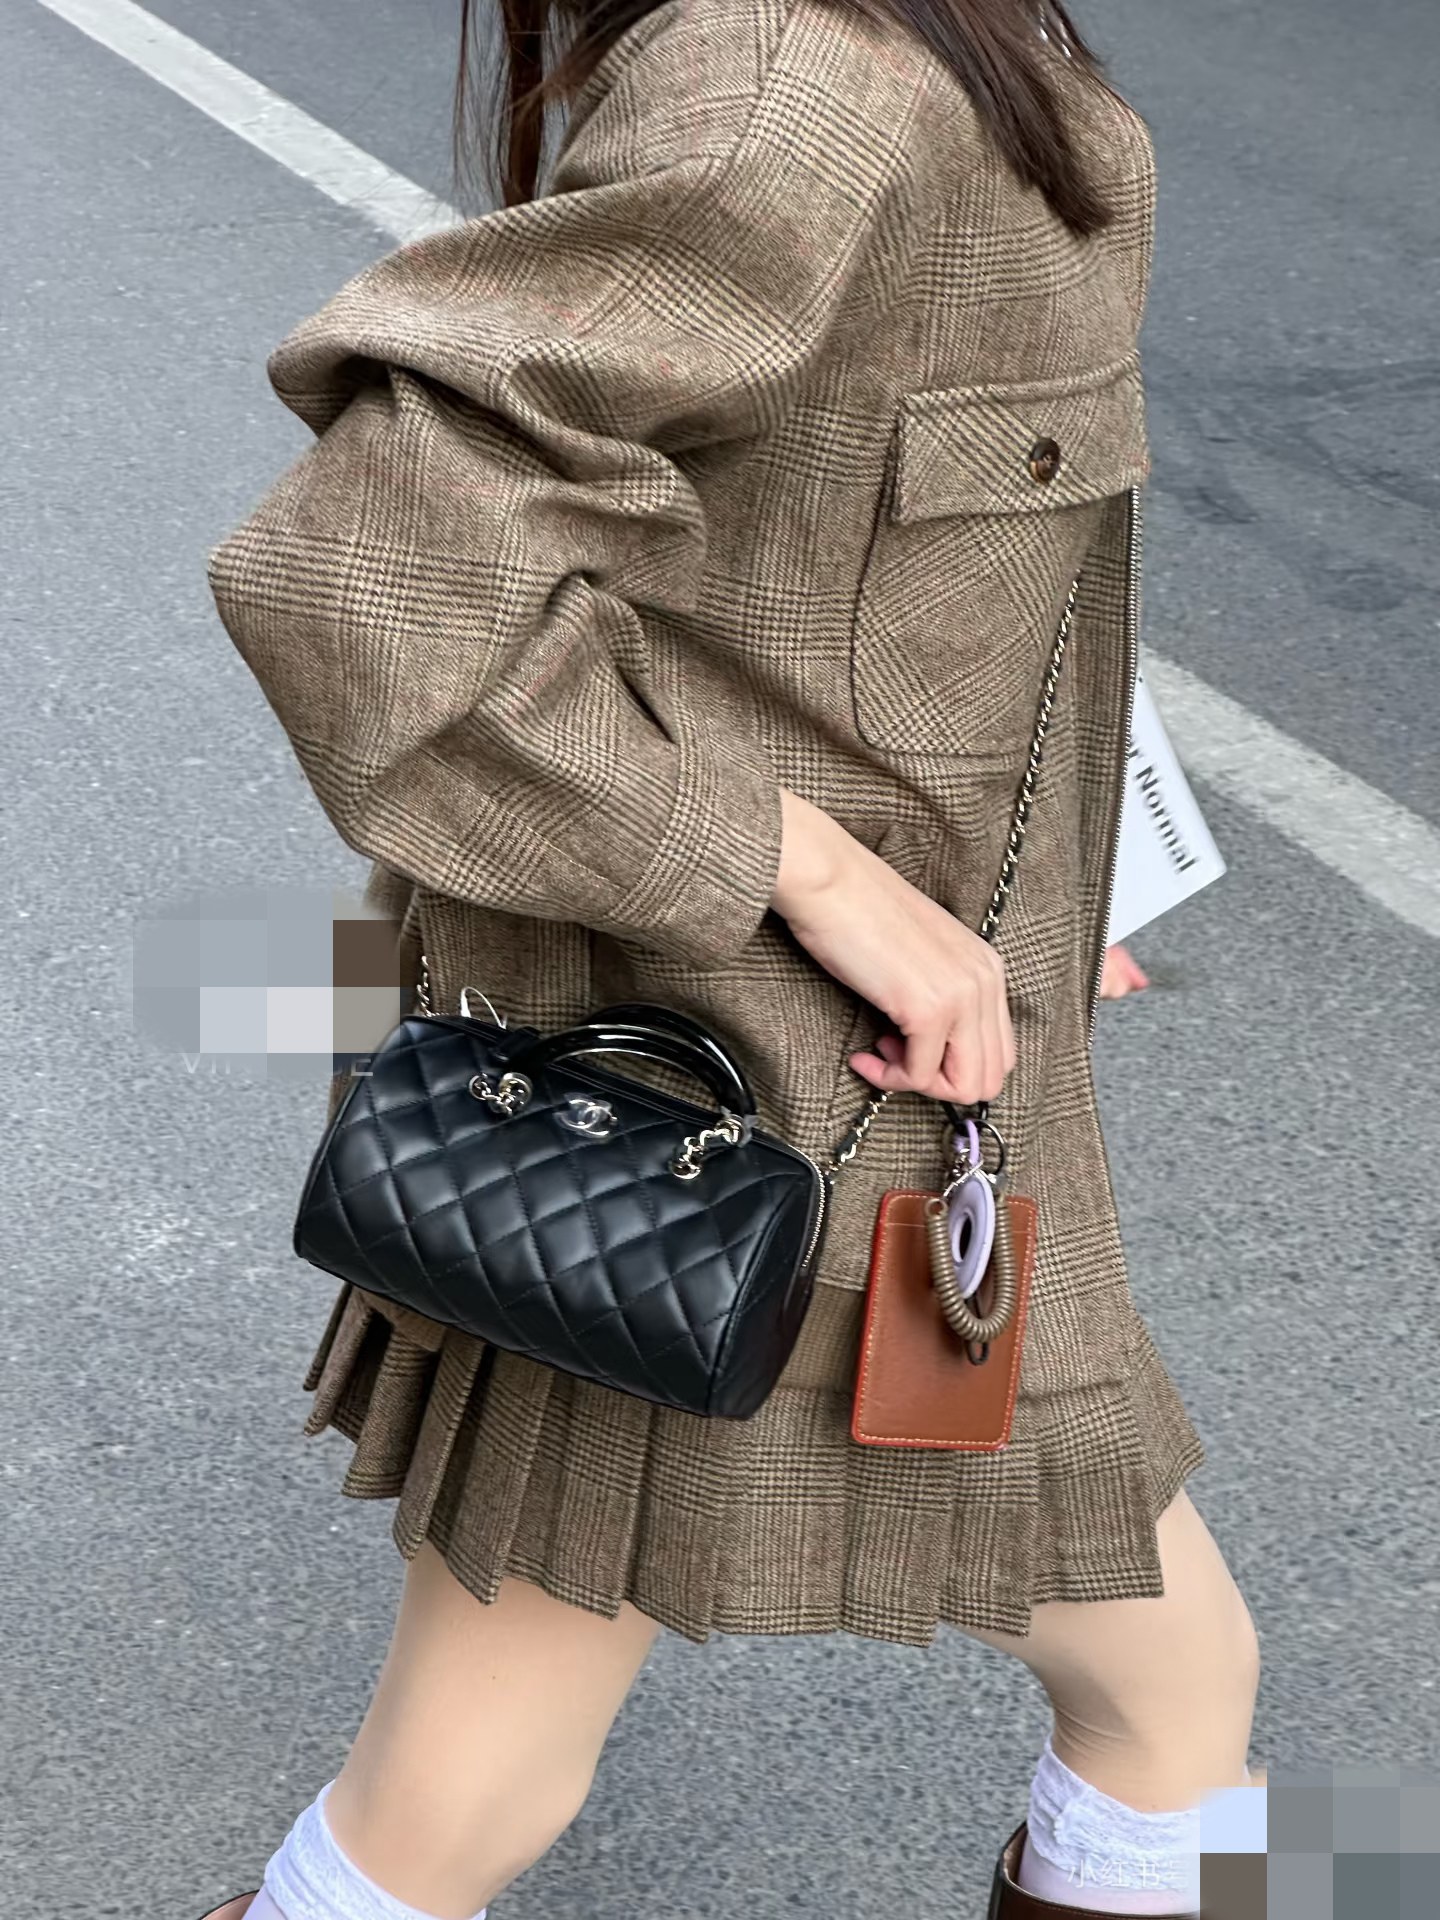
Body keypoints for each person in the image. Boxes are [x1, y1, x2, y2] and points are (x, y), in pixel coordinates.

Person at [201, 1, 1261, 1915]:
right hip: (720, 1119)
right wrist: (819, 871)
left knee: (1174, 1696)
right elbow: (363, 576)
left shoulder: (924, 47)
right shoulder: (794, 83)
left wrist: (1063, 873)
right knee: (460, 1793)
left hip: (898, 1115)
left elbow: (927, 551)